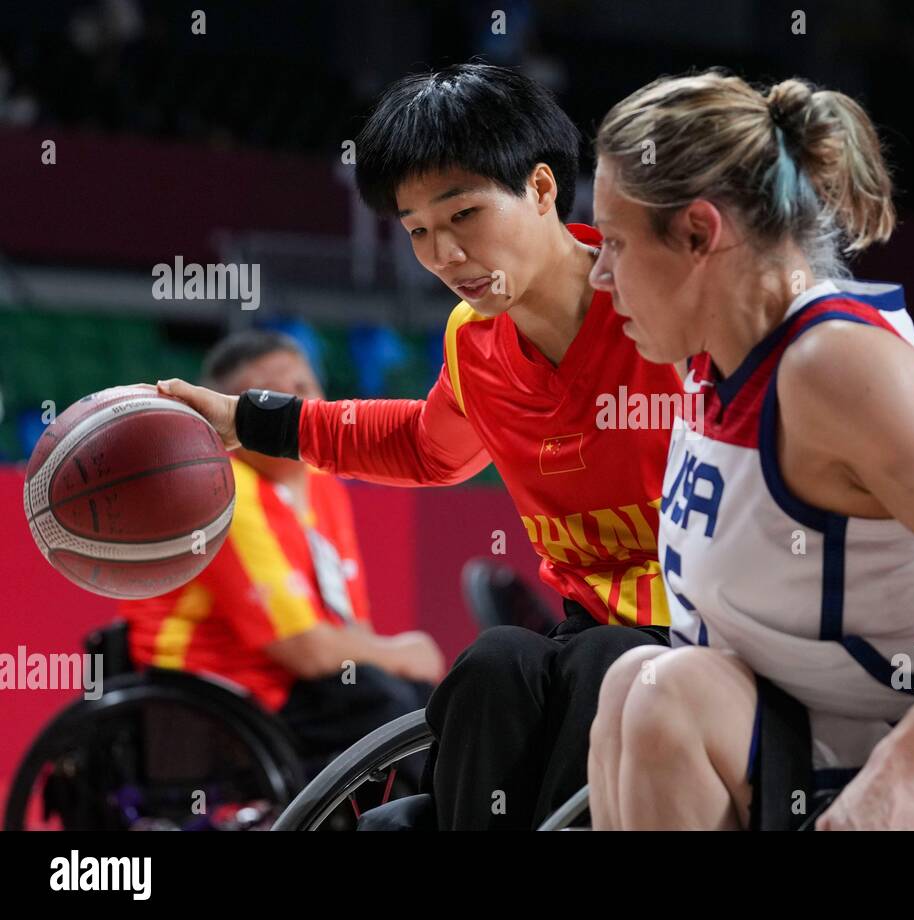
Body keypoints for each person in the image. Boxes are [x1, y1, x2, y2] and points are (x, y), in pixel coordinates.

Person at [583, 71, 914, 830]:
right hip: (813, 734)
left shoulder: (834, 366)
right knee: (634, 679)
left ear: (701, 234)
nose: (600, 274)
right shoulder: (713, 357)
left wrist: (907, 778)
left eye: (613, 243)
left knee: (664, 696)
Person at [154, 64, 681, 829]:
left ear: (540, 190)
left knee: (605, 667)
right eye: (418, 232)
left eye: (463, 214)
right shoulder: (475, 343)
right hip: (590, 630)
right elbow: (424, 446)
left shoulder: (665, 303)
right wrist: (249, 422)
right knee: (496, 661)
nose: (442, 255)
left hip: (711, 633)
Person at [122, 330, 444, 783]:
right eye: (271, 395)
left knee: (415, 699)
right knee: (388, 707)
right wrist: (399, 652)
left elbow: (349, 626)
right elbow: (305, 651)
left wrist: (392, 660)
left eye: (304, 388)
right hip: (212, 702)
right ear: (230, 416)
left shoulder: (322, 481)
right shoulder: (219, 490)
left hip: (291, 691)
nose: (293, 405)